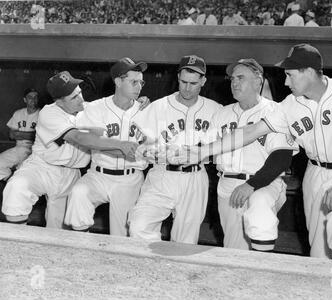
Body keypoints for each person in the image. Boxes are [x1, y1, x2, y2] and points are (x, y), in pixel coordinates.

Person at [172, 44, 332, 261]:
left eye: (290, 75)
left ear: (308, 71)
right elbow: (251, 131)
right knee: (319, 253)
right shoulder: (289, 105)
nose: (286, 81)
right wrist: (202, 151)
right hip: (315, 173)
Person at [2, 71, 134, 228]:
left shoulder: (89, 108)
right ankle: (17, 244)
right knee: (17, 188)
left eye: (79, 93)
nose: (81, 100)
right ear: (60, 102)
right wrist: (119, 145)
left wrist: (138, 102)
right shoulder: (49, 113)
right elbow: (78, 137)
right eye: (73, 97)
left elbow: (116, 104)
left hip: (71, 174)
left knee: (59, 229)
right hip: (42, 168)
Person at [129, 55, 222, 244]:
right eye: (184, 81)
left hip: (195, 178)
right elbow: (140, 146)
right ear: (178, 78)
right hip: (162, 175)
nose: (187, 88)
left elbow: (225, 146)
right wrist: (152, 152)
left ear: (203, 81)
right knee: (139, 226)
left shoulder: (216, 110)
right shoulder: (157, 107)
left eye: (194, 83)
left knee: (185, 242)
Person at [208, 58, 298, 251]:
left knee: (259, 235)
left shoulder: (275, 111)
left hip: (263, 184)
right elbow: (206, 150)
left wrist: (251, 185)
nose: (234, 82)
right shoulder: (221, 114)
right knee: (233, 248)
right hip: (227, 185)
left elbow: (282, 158)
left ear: (258, 81)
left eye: (241, 77)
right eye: (232, 78)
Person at [64, 58, 149, 236]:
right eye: (133, 82)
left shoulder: (147, 110)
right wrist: (123, 149)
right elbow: (89, 139)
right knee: (79, 193)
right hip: (98, 175)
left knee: (122, 234)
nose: (139, 86)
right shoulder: (95, 108)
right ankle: (80, 248)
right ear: (118, 81)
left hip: (130, 179)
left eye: (141, 82)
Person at [0, 88, 39, 182]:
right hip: (18, 149)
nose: (33, 100)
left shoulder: (42, 114)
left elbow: (37, 137)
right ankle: (8, 177)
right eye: (30, 97)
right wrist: (30, 134)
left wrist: (20, 134)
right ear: (25, 99)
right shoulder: (18, 113)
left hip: (35, 151)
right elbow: (11, 135)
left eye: (35, 97)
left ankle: (14, 181)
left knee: (24, 177)